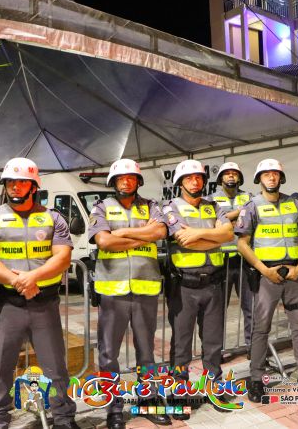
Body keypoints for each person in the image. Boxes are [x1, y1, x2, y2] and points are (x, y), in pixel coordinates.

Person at [0, 158, 78, 429]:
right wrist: (17, 281)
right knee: (0, 368)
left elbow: (63, 258)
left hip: (45, 304)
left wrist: (33, 277)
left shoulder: (54, 218)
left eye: (22, 182)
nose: (15, 187)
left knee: (55, 368)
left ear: (33, 186)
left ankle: (64, 419)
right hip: (7, 304)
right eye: (10, 182)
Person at [237, 159, 298, 403]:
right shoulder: (252, 206)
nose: (271, 178)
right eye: (266, 174)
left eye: (275, 174)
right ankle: (256, 379)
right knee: (261, 328)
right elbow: (242, 244)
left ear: (281, 178)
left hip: (293, 274)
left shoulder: (295, 204)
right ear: (259, 179)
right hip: (266, 276)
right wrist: (263, 269)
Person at [88, 159, 170, 429]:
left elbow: (161, 231)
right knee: (108, 354)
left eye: (131, 177)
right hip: (113, 292)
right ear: (113, 182)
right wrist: (143, 234)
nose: (126, 181)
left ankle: (149, 400)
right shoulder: (101, 207)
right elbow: (104, 240)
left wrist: (122, 233)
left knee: (147, 351)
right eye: (121, 178)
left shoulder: (151, 206)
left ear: (138, 181)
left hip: (145, 289)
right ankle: (114, 408)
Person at [162, 159, 234, 419]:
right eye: (189, 178)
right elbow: (184, 241)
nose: (195, 182)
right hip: (184, 285)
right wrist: (214, 236)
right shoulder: (170, 207)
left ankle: (214, 389)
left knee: (213, 343)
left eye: (199, 177)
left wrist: (198, 234)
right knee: (181, 344)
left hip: (213, 284)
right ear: (180, 182)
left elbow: (229, 234)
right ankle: (178, 392)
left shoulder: (213, 206)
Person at [206, 162, 253, 350]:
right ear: (220, 179)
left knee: (251, 307)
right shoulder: (210, 199)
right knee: (217, 310)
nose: (231, 176)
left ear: (240, 177)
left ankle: (253, 347)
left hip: (246, 259)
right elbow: (212, 223)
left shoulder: (249, 197)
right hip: (221, 261)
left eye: (235, 173)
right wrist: (239, 214)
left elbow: (253, 221)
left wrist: (227, 221)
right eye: (227, 173)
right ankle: (217, 351)